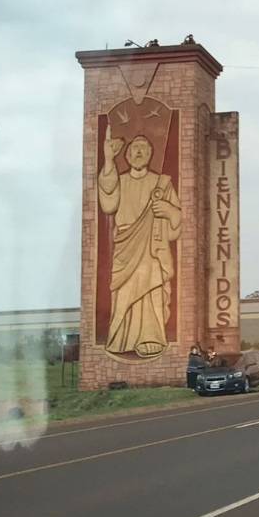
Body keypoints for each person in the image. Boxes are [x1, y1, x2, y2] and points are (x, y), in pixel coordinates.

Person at [98, 127, 181, 357]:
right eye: (134, 148)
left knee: (151, 288)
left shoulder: (162, 183)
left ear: (150, 154)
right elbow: (108, 204)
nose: (138, 152)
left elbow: (176, 226)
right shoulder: (120, 180)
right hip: (125, 246)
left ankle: (151, 336)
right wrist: (107, 159)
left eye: (143, 148)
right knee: (124, 292)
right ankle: (122, 337)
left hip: (152, 248)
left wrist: (169, 211)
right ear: (126, 155)